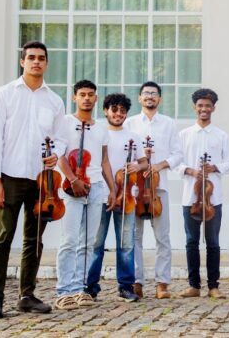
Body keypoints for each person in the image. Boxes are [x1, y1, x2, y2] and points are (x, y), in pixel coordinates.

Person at [0, 41, 66, 318]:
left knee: (34, 239)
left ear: (46, 63)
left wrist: (55, 155)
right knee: (3, 237)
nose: (36, 62)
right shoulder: (4, 94)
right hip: (8, 176)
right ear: (22, 62)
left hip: (41, 182)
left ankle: (26, 296)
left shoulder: (54, 101)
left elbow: (60, 138)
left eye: (41, 58)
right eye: (31, 57)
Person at [54, 80, 117, 310]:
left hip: (96, 186)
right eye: (82, 94)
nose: (87, 98)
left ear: (96, 98)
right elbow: (60, 155)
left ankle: (80, 289)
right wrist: (73, 179)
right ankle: (64, 290)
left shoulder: (101, 127)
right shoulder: (65, 123)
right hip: (72, 187)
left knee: (88, 243)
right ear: (74, 98)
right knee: (69, 240)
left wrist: (113, 189)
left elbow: (104, 160)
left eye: (91, 94)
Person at [85, 93, 147, 303]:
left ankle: (126, 286)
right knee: (96, 243)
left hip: (127, 196)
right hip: (100, 195)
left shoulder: (133, 136)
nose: (118, 114)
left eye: (122, 110)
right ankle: (90, 286)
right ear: (105, 110)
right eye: (114, 109)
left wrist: (138, 165)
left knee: (126, 243)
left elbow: (144, 163)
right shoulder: (98, 132)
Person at [124, 82, 182, 299]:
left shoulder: (168, 124)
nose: (150, 97)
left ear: (160, 99)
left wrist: (158, 164)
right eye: (146, 94)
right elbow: (124, 152)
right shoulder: (130, 124)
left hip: (159, 188)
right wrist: (140, 160)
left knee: (162, 236)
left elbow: (178, 154)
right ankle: (137, 281)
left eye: (154, 94)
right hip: (136, 188)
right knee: (135, 236)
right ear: (139, 98)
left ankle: (162, 283)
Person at [177, 88, 229, 299]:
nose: (204, 109)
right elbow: (176, 162)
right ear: (195, 107)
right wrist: (190, 170)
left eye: (208, 106)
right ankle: (194, 285)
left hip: (213, 198)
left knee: (213, 242)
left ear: (213, 108)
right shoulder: (184, 135)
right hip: (190, 198)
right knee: (191, 241)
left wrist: (215, 167)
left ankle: (213, 286)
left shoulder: (221, 135)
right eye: (200, 105)